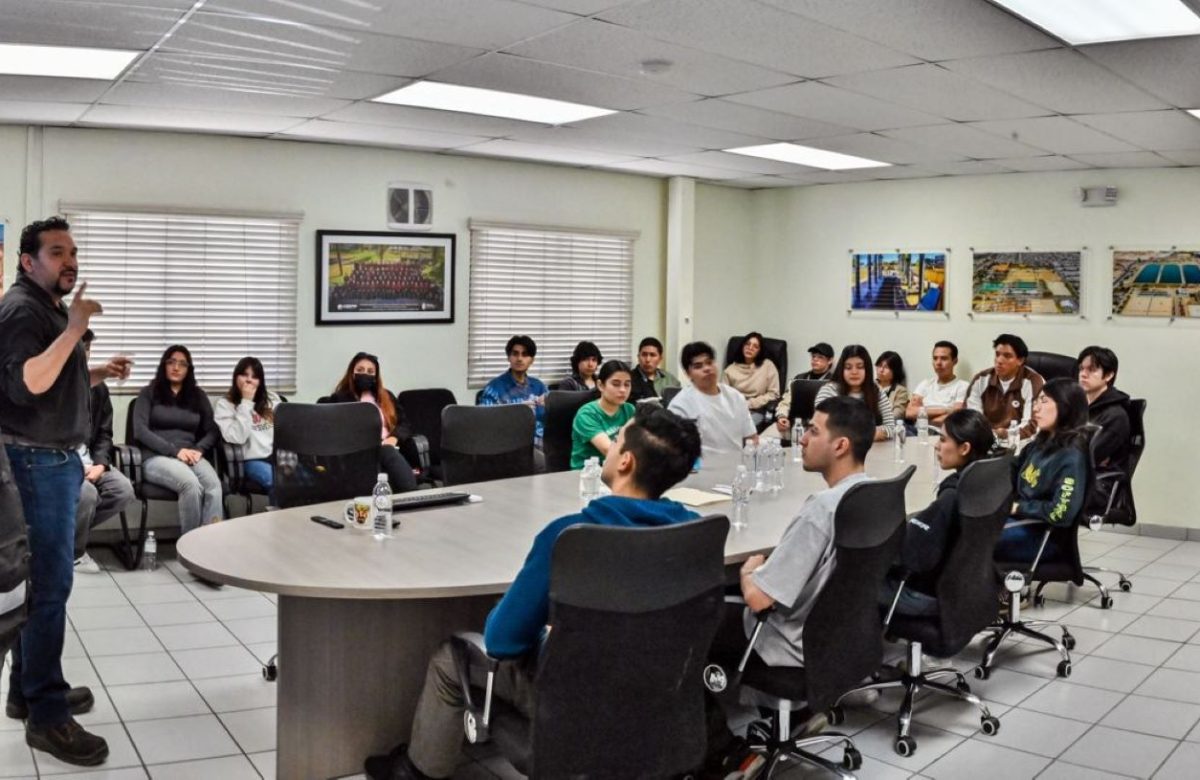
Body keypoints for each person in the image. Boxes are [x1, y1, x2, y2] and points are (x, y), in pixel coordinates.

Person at [364, 405, 703, 780]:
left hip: (576, 704)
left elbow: (502, 642)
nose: (607, 447)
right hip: (657, 698)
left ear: (625, 461)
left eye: (616, 439)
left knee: (452, 656)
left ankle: (415, 772)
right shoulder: (694, 530)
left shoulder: (571, 536)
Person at [0, 216, 130, 765]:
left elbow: (54, 378)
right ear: (29, 261)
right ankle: (48, 716)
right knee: (50, 587)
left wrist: (97, 371)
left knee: (43, 585)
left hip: (53, 458)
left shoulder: (46, 307)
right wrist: (76, 329)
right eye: (57, 252)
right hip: (34, 461)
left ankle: (26, 692)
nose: (69, 260)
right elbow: (25, 383)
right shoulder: (22, 310)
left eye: (73, 251)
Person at [705, 396, 875, 766]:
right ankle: (798, 715)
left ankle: (722, 753)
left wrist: (748, 570)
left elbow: (760, 600)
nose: (802, 438)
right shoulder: (873, 494)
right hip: (841, 636)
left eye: (813, 431)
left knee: (687, 622)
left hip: (791, 644)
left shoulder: (822, 509)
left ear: (840, 445)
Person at [878, 410, 995, 616]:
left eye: (942, 439)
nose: (936, 445)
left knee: (852, 576)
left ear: (965, 448)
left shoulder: (952, 495)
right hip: (971, 588)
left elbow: (913, 557)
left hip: (930, 596)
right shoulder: (986, 480)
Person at [994, 378, 1089, 563]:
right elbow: (1012, 469)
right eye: (1036, 401)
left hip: (1043, 536)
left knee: (970, 538)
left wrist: (1018, 507)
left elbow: (1061, 512)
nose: (1036, 408)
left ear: (1066, 406)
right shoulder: (1039, 444)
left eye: (1044, 401)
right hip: (1021, 522)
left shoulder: (1071, 456)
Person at [133, 346, 223, 534]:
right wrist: (174, 451)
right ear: (164, 365)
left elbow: (213, 431)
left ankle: (212, 543)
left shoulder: (198, 396)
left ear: (189, 369)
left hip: (190, 455)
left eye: (182, 364)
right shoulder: (149, 393)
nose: (176, 367)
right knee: (190, 484)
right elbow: (140, 431)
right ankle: (190, 548)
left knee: (214, 486)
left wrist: (199, 449)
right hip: (155, 457)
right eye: (171, 362)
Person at [72, 330, 135, 574]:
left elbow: (104, 435)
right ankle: (75, 553)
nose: (84, 353)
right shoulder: (51, 386)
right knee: (87, 494)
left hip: (90, 460)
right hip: (64, 462)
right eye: (79, 346)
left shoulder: (98, 390)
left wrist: (101, 464)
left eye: (87, 348)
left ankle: (66, 537)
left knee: (123, 490)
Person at [318, 352, 417, 493]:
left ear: (376, 376)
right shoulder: (339, 398)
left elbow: (405, 424)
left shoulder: (387, 396)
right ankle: (413, 493)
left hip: (390, 448)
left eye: (370, 371)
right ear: (352, 373)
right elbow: (336, 432)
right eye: (360, 370)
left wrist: (393, 438)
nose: (365, 374)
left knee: (388, 452)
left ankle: (408, 495)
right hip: (358, 453)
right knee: (387, 454)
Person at [668, 341, 756, 460]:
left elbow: (752, 438)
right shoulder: (680, 405)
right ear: (688, 374)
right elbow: (674, 451)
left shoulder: (735, 397)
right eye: (698, 366)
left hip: (737, 470)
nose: (707, 369)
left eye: (709, 362)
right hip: (700, 472)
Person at [214, 356, 281, 504]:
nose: (249, 380)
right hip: (250, 460)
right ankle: (281, 523)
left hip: (276, 457)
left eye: (255, 376)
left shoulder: (272, 399)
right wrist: (246, 402)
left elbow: (286, 430)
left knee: (307, 480)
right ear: (236, 377)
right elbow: (238, 438)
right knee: (277, 483)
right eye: (244, 375)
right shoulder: (224, 404)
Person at [966, 334, 1044, 441]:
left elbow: (1033, 425)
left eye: (1007, 356)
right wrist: (989, 436)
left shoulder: (1033, 382)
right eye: (997, 354)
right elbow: (972, 418)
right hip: (985, 441)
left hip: (1020, 443)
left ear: (1020, 360)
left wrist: (1007, 434)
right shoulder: (981, 379)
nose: (999, 360)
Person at [479, 335, 548, 447]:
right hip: (509, 444)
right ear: (509, 357)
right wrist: (515, 412)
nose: (519, 358)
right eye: (515, 354)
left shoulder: (539, 387)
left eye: (525, 354)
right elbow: (484, 422)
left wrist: (551, 405)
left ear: (532, 360)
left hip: (541, 443)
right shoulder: (494, 388)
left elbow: (552, 420)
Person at [815, 345, 895, 441]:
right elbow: (822, 427)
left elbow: (891, 427)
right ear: (841, 370)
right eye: (848, 368)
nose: (854, 372)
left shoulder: (876, 390)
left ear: (867, 370)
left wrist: (876, 433)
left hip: (872, 450)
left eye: (860, 367)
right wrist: (867, 433)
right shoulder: (829, 391)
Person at [569, 360, 635, 469]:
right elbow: (609, 451)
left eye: (627, 385)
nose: (623, 390)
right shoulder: (587, 414)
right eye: (616, 384)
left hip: (618, 470)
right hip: (587, 476)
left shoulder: (629, 410)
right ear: (600, 385)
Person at [1077, 346, 1131, 472]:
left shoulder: (1115, 416)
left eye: (1092, 370)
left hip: (1095, 484)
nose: (1083, 374)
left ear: (1109, 375)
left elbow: (1087, 458)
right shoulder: (1076, 406)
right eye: (1081, 369)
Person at [774, 342, 836, 436]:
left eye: (820, 357)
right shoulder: (799, 379)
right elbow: (785, 401)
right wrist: (782, 417)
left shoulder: (834, 382)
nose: (815, 359)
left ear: (830, 360)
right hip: (793, 424)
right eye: (813, 356)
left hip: (819, 428)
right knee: (765, 438)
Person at [722, 331, 780, 427]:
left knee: (741, 428)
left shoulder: (767, 365)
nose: (750, 348)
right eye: (747, 344)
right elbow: (724, 396)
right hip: (734, 410)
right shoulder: (730, 370)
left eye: (755, 346)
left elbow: (774, 394)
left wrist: (749, 404)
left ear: (759, 351)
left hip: (757, 410)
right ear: (742, 346)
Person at [905, 340, 969, 427]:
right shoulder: (925, 384)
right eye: (935, 358)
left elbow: (955, 418)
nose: (938, 363)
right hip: (916, 433)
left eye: (944, 358)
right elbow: (909, 413)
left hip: (944, 435)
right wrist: (947, 410)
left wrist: (922, 414)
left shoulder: (962, 386)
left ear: (955, 361)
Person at [628, 336, 680, 402]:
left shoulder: (670, 380)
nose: (647, 360)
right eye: (644, 355)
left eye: (652, 355)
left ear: (660, 359)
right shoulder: (628, 379)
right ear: (638, 357)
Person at [875, 350, 910, 425]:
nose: (881, 370)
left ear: (895, 371)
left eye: (886, 367)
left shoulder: (900, 391)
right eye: (879, 365)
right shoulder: (869, 386)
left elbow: (897, 414)